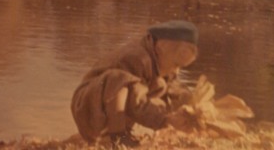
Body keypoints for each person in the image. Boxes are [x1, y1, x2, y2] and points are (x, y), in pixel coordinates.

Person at [70, 20, 199, 147]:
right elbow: (135, 101)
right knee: (119, 80)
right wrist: (163, 120)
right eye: (176, 64)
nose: (177, 70)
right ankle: (118, 135)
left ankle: (118, 132)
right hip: (89, 106)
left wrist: (190, 105)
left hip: (107, 107)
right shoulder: (137, 58)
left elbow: (172, 89)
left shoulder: (157, 58)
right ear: (161, 48)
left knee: (163, 90)